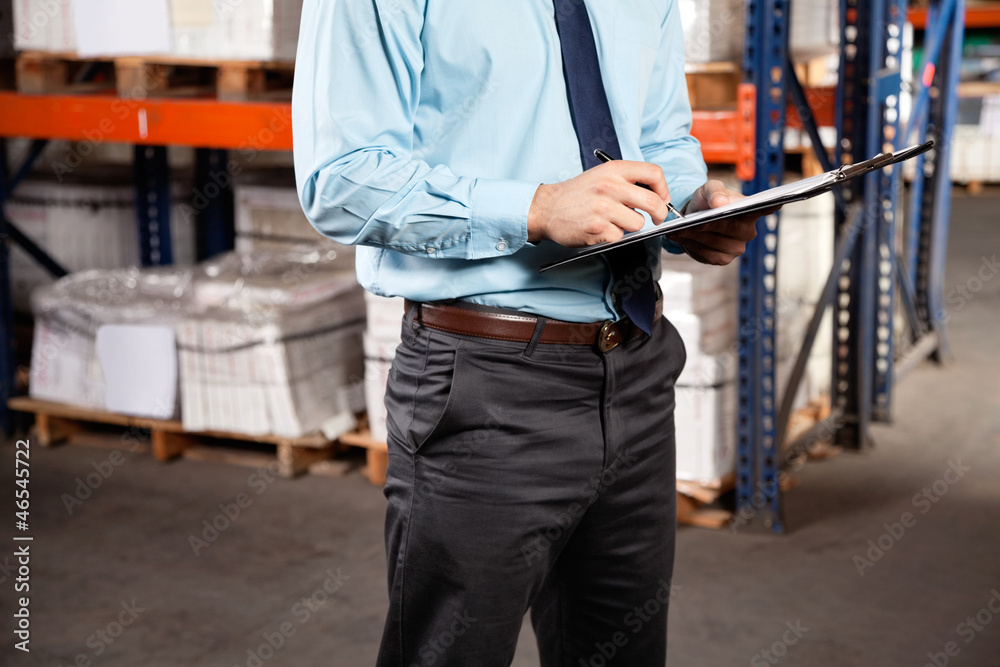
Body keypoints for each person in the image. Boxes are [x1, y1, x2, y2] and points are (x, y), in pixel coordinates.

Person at [293, 1, 765, 664]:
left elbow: (658, 139)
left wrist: (692, 205)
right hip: (486, 384)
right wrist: (536, 208)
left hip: (636, 368)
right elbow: (341, 178)